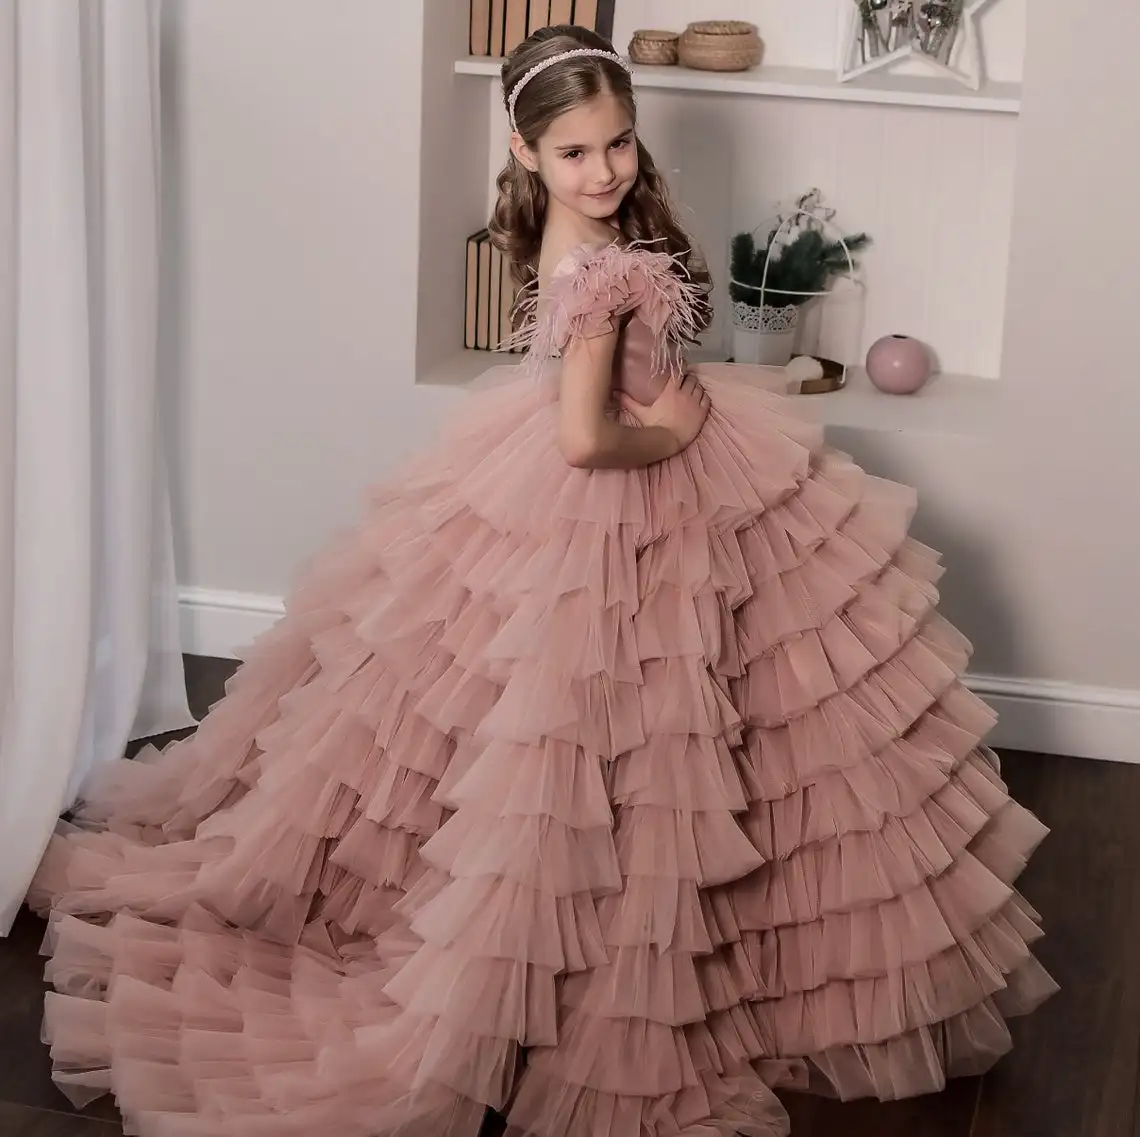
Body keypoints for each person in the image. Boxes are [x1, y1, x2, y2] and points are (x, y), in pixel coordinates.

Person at [26, 23, 1057, 1137]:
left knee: (645, 726)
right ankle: (591, 951)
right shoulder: (603, 274)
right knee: (617, 738)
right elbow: (584, 440)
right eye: (574, 153)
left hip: (613, 490)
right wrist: (669, 436)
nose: (604, 169)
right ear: (523, 150)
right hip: (617, 498)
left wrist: (671, 410)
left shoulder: (580, 248)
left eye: (616, 143)